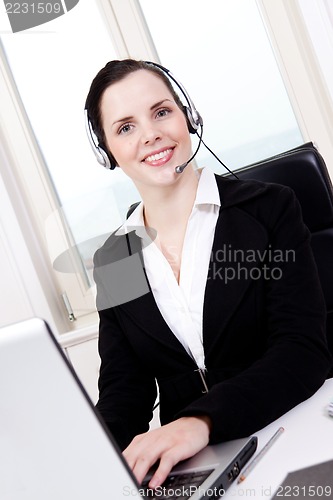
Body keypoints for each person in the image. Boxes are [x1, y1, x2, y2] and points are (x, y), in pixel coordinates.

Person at [84, 59, 332, 489]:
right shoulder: (117, 259)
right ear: (107, 152)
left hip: (292, 426)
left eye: (161, 112)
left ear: (188, 117)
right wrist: (91, 463)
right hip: (196, 464)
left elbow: (303, 351)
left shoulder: (269, 209)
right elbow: (126, 391)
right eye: (125, 127)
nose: (150, 134)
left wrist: (201, 420)